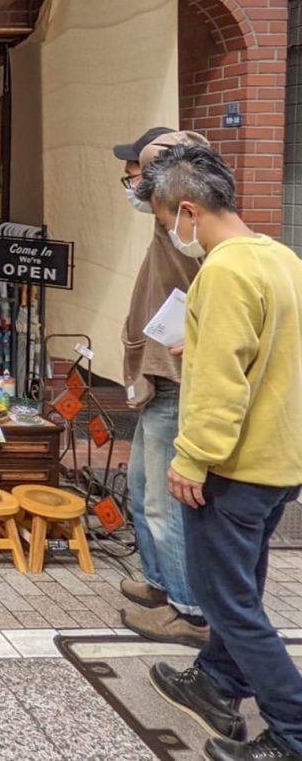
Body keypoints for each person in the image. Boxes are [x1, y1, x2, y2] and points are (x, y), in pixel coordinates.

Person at [139, 144, 302, 761]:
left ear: (187, 210)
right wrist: (199, 344)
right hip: (279, 459)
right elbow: (268, 352)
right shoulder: (281, 258)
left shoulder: (225, 271)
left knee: (227, 604)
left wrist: (193, 457)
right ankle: (216, 682)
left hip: (234, 466)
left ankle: (292, 731)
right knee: (242, 591)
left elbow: (223, 381)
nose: (172, 235)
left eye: (167, 222)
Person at [115, 127, 211, 647]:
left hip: (176, 381)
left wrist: (155, 165)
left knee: (164, 500)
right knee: (142, 489)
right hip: (158, 375)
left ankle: (188, 611)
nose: (128, 183)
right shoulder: (166, 225)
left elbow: (184, 157)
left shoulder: (185, 225)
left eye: (135, 173)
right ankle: (157, 582)